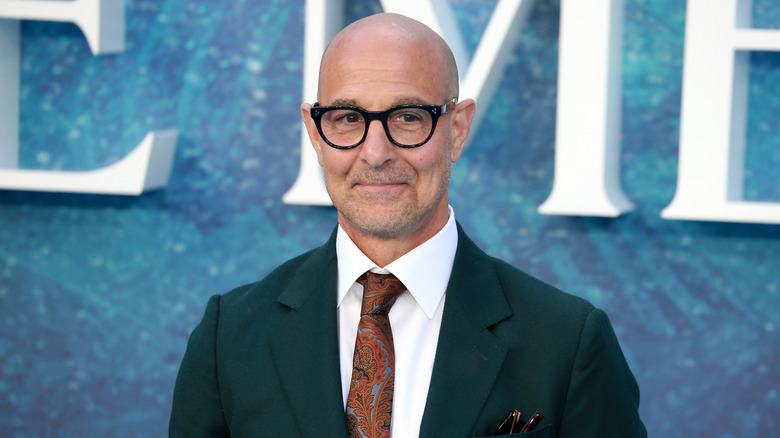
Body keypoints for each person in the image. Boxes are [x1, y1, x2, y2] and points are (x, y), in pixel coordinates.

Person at [169, 12, 646, 438]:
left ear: (457, 129)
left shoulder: (567, 341)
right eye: (346, 118)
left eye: (409, 117)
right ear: (316, 134)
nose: (375, 154)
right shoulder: (228, 337)